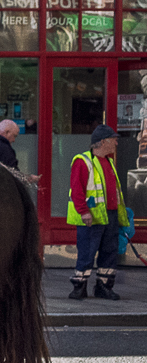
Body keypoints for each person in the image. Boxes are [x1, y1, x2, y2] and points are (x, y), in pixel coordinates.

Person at [67, 123, 127, 301]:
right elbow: (77, 189)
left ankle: (104, 286)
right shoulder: (83, 161)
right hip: (91, 216)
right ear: (102, 142)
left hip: (110, 214)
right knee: (87, 252)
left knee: (109, 252)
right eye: (113, 140)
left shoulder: (108, 161)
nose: (116, 144)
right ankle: (79, 287)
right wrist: (84, 211)